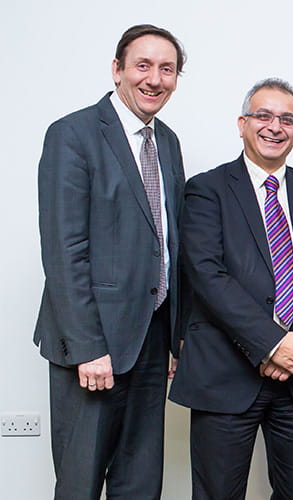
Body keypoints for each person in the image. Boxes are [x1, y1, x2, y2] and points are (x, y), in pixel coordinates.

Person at [169, 78, 293, 500]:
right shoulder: (206, 190)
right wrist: (273, 344)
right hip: (225, 372)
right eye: (263, 115)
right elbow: (206, 274)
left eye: (286, 119)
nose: (275, 126)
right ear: (242, 124)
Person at [34, 24, 186, 500]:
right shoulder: (73, 135)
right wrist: (86, 347)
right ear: (117, 70)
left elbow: (169, 242)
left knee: (140, 483)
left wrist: (176, 337)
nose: (155, 79)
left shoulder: (169, 143)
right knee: (81, 483)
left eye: (168, 69)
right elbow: (63, 249)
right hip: (93, 347)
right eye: (143, 66)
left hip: (151, 339)